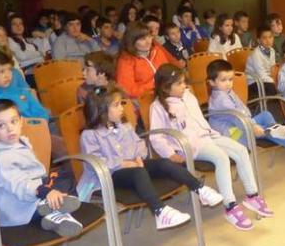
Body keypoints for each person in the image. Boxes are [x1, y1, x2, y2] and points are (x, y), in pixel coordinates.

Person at [79, 85, 224, 230]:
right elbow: (96, 162)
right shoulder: (89, 135)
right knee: (138, 172)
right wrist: (125, 164)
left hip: (134, 166)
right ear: (101, 110)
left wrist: (138, 157)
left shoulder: (124, 126)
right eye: (116, 105)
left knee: (164, 163)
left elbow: (139, 144)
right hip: (109, 176)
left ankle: (200, 189)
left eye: (121, 103)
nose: (122, 108)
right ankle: (160, 212)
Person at [149, 64, 273, 231]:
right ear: (165, 86)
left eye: (184, 82)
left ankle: (252, 195)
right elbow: (156, 136)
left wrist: (210, 132)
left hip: (208, 135)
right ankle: (230, 206)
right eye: (179, 84)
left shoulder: (188, 96)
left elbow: (199, 119)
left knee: (241, 150)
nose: (184, 86)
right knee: (221, 157)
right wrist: (170, 153)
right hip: (191, 146)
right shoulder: (157, 107)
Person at [0, 99, 84, 237]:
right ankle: (53, 210)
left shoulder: (21, 142)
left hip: (32, 194)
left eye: (13, 121)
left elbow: (35, 175)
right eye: (1, 125)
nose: (10, 128)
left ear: (21, 121)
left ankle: (54, 214)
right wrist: (44, 191)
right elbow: (18, 184)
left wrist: (46, 188)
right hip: (16, 209)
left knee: (66, 177)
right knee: (57, 187)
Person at [207, 59, 285, 156]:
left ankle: (273, 130)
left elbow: (242, 109)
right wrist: (253, 126)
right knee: (267, 129)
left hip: (241, 124)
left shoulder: (226, 91)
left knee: (265, 115)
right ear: (211, 82)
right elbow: (237, 117)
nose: (228, 83)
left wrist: (251, 122)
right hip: (233, 134)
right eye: (223, 80)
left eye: (230, 79)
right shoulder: (220, 99)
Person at [0, 49, 50, 126]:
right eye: (1, 72)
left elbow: (42, 114)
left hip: (38, 132)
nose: (7, 75)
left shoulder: (22, 92)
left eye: (9, 70)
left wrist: (37, 127)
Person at [116, 22, 179, 98]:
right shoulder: (125, 60)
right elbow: (128, 91)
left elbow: (169, 72)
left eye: (149, 36)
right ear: (132, 42)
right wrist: (155, 86)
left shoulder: (157, 50)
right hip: (144, 99)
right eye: (142, 39)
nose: (148, 42)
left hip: (166, 93)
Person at [7, 14, 45, 86]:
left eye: (20, 23)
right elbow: (22, 56)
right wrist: (39, 53)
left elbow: (42, 58)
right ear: (9, 27)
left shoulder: (28, 41)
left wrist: (36, 57)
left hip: (37, 71)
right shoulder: (9, 40)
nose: (18, 26)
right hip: (24, 75)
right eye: (14, 24)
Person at [245, 25, 278, 100]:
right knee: (273, 88)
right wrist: (274, 82)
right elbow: (261, 75)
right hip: (254, 82)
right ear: (259, 40)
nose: (268, 40)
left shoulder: (272, 51)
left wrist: (276, 79)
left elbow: (273, 68)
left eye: (270, 37)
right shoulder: (256, 54)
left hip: (266, 79)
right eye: (264, 38)